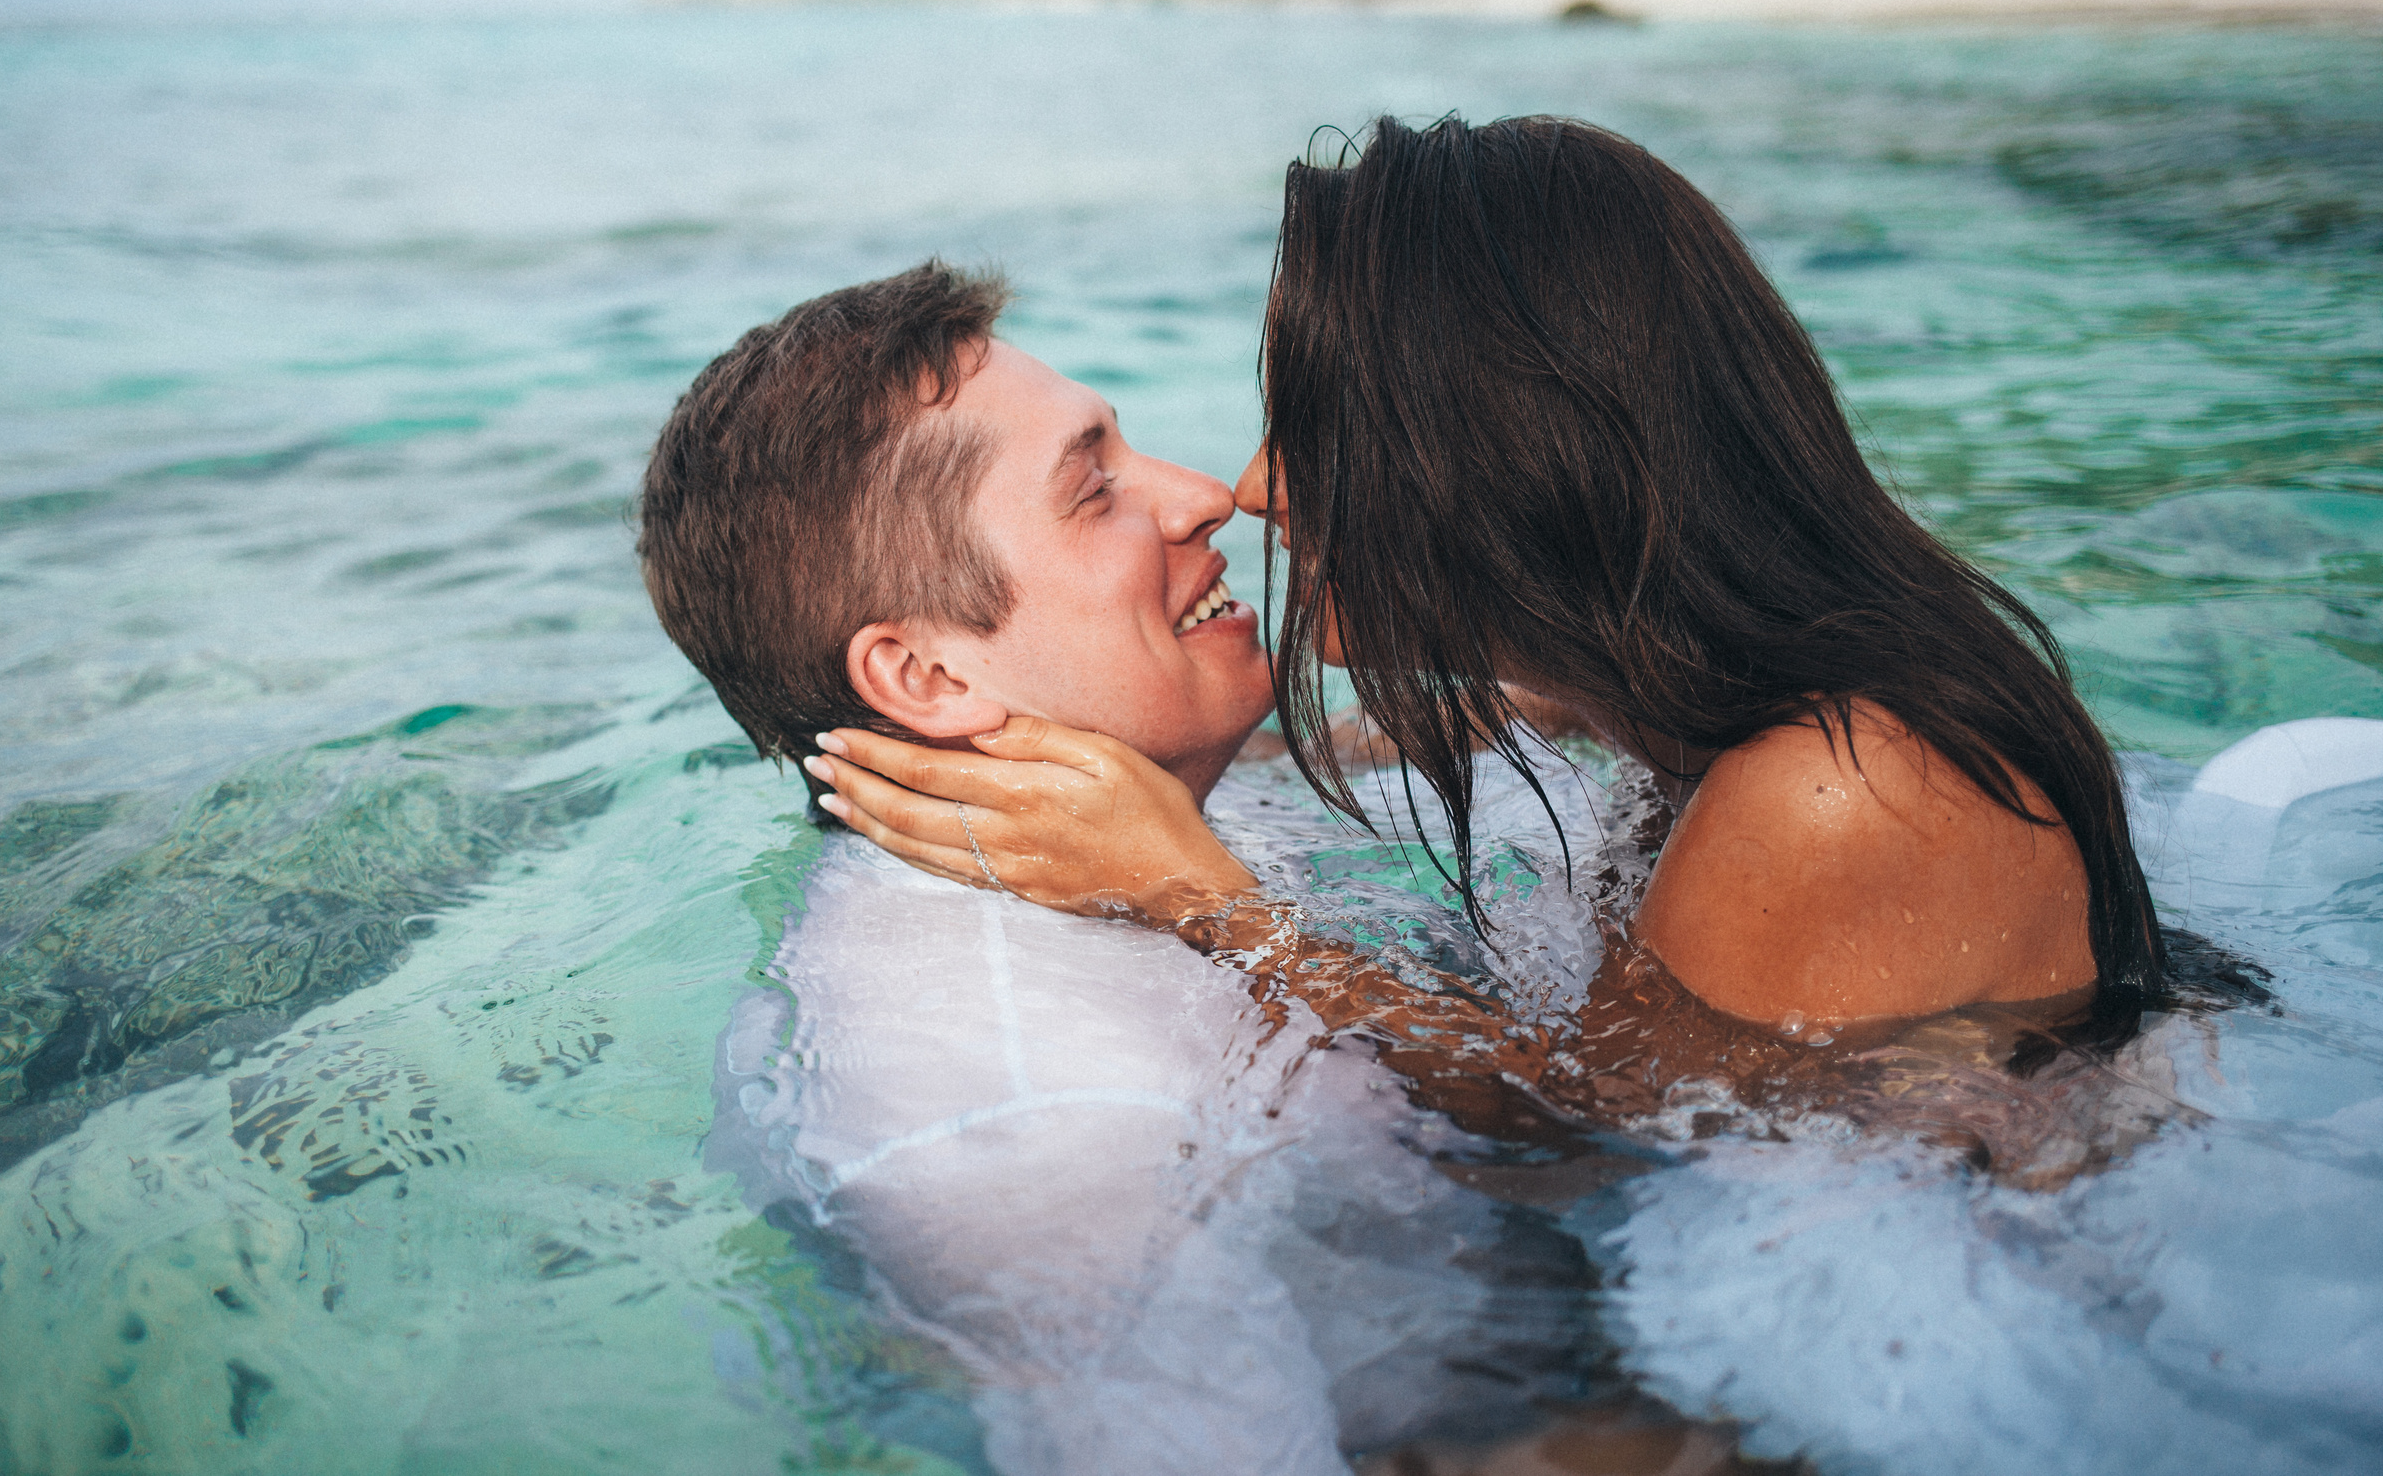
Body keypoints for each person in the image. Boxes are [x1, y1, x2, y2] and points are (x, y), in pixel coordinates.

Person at [636, 261, 1718, 1474]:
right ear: (931, 680)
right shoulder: (1047, 1127)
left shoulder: (1127, 820)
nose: (1208, 497)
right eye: (1093, 489)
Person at [806, 115, 2170, 1043]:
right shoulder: (1657, 688)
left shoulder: (1842, 783)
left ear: (1508, 451)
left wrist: (1205, 903)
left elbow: (1608, 1143)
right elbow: (1478, 717)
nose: (1257, 486)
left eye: (1321, 427)